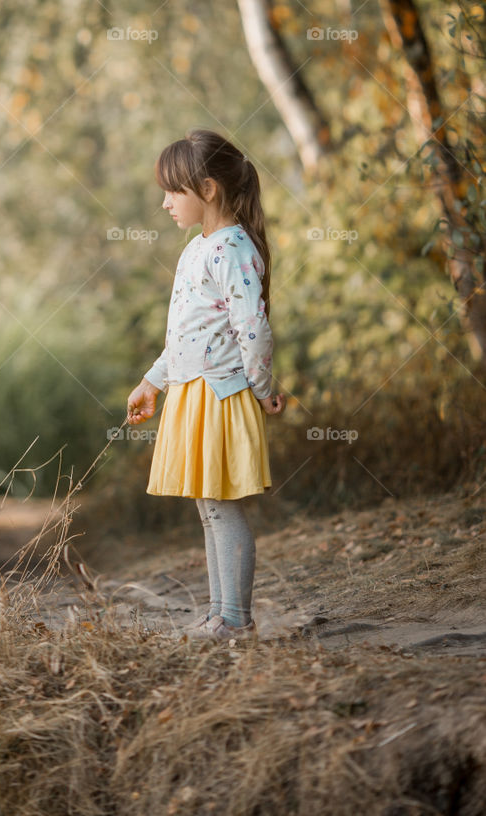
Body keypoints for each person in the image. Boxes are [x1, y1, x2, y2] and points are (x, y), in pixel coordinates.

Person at [126, 128, 286, 643]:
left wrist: (261, 388)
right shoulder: (199, 248)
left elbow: (253, 330)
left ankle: (235, 621)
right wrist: (153, 380)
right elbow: (187, 333)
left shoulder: (233, 248)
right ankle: (220, 615)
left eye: (174, 191)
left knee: (221, 504)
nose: (165, 202)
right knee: (207, 504)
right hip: (191, 392)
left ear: (209, 190)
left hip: (220, 393)